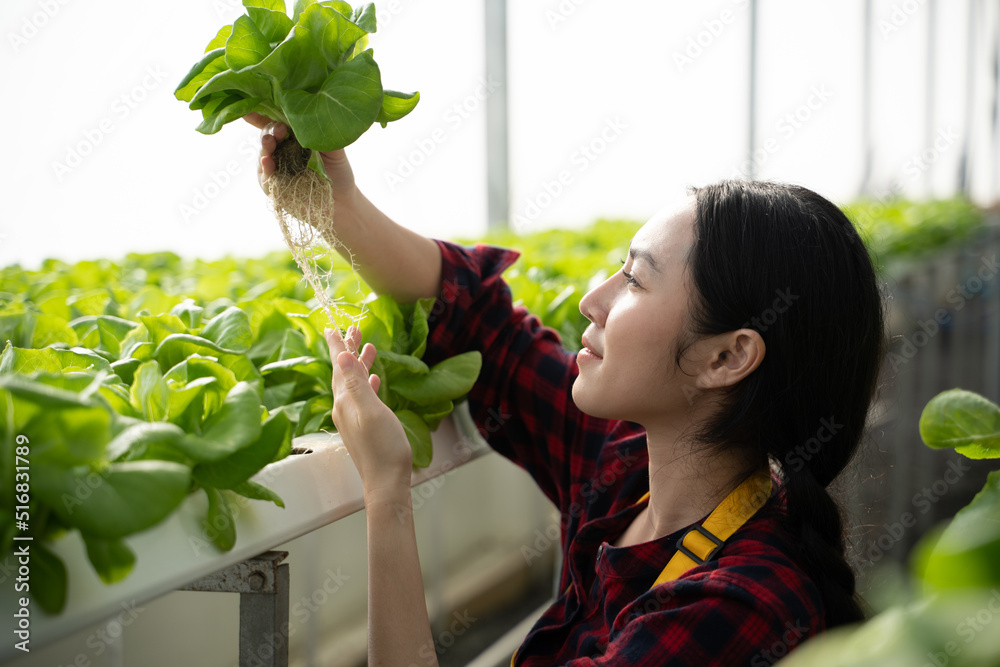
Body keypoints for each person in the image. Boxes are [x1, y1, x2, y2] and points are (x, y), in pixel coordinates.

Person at [246, 114, 888, 666]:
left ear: (726, 357)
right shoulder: (628, 473)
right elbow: (476, 318)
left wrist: (387, 489)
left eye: (635, 281)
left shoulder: (732, 608)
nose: (591, 299)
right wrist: (333, 201)